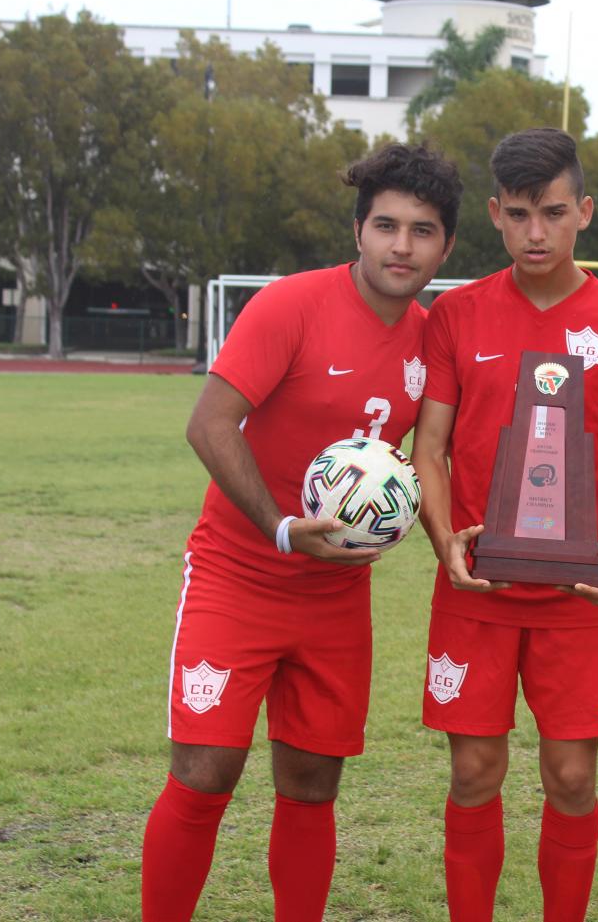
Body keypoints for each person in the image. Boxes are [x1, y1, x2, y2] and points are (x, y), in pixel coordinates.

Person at [140, 143, 463, 922]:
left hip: (336, 597)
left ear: (446, 245)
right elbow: (209, 424)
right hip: (237, 577)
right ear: (357, 229)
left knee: (313, 781)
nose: (401, 246)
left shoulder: (434, 337)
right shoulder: (290, 306)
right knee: (205, 770)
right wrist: (282, 527)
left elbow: (440, 453)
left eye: (422, 231)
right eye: (385, 225)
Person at [410, 127, 598, 922]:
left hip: (574, 601)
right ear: (494, 212)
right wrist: (442, 538)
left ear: (583, 211)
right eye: (519, 213)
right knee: (473, 774)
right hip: (476, 590)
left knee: (570, 779)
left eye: (553, 212)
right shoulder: (455, 315)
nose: (535, 232)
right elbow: (428, 447)